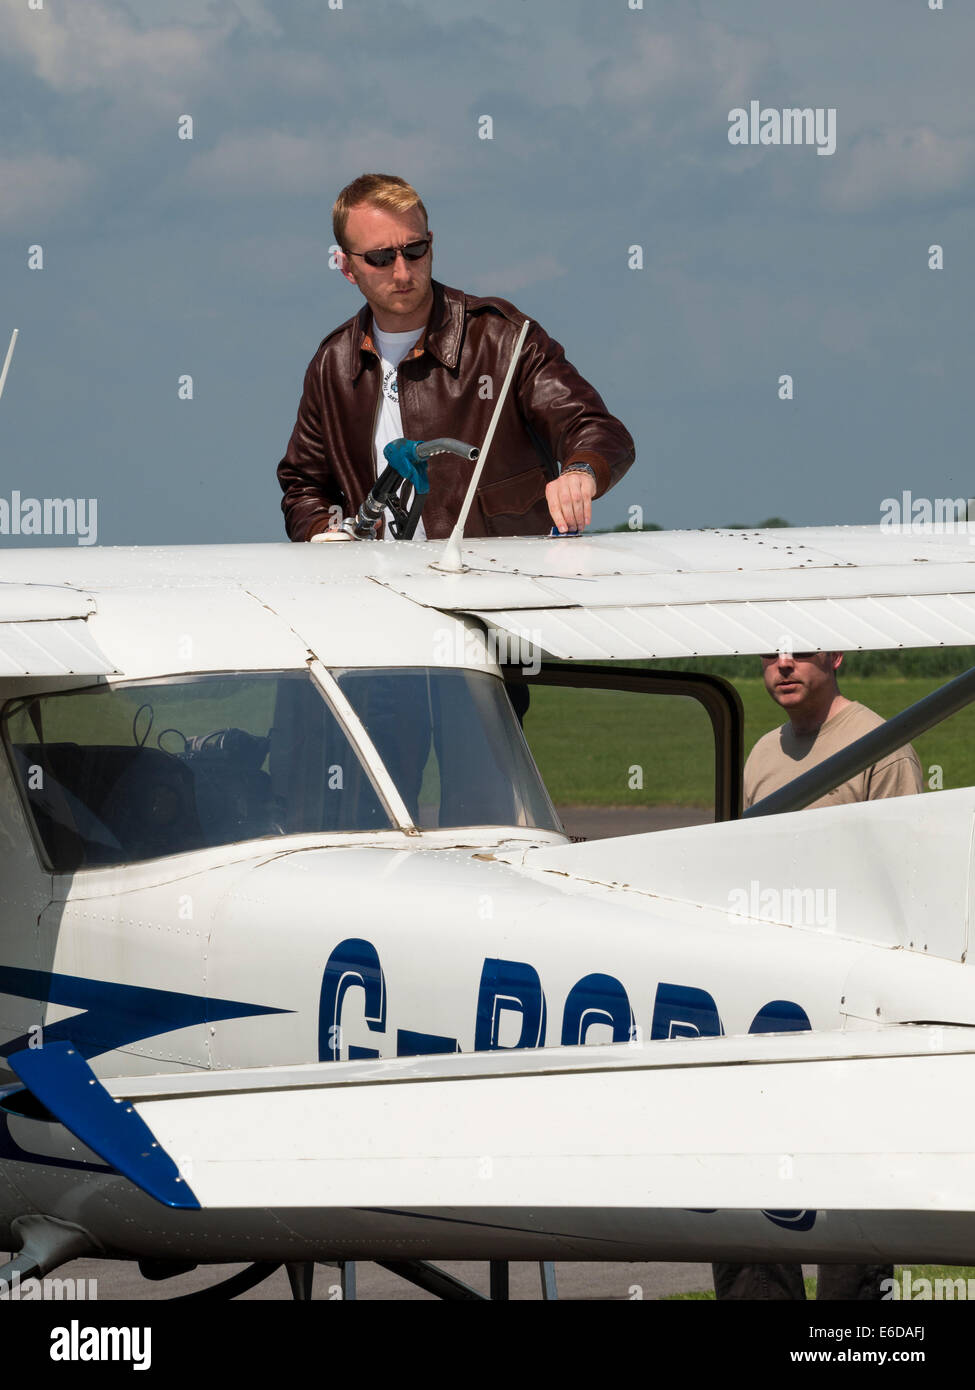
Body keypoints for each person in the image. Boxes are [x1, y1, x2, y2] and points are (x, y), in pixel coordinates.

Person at [714, 648, 922, 1301]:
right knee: (753, 1193)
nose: (782, 664)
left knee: (851, 1202)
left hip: (850, 1006)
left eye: (800, 650)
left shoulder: (880, 746)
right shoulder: (760, 755)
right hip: (767, 1004)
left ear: (834, 656)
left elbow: (908, 883)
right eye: (771, 653)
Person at [277, 174, 634, 543]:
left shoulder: (504, 338)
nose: (402, 271)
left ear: (431, 244)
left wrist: (580, 471)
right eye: (380, 258)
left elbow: (595, 428)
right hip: (380, 591)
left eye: (414, 250)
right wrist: (325, 531)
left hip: (503, 585)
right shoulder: (332, 363)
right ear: (346, 266)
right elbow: (304, 485)